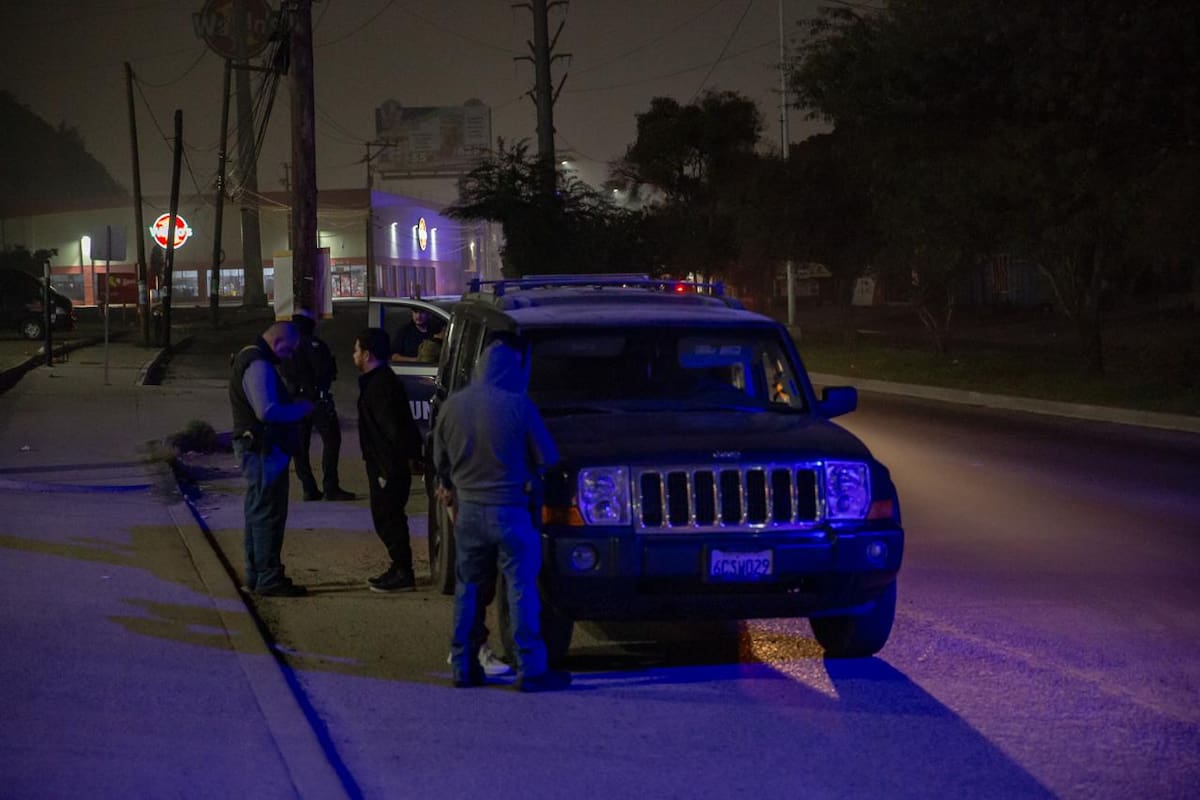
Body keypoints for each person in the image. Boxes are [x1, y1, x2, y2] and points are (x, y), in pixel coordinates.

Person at [433, 339, 571, 691]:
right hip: (511, 510)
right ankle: (531, 668)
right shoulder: (518, 406)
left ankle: (463, 666)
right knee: (521, 588)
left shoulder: (452, 406)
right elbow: (549, 457)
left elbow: (440, 462)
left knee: (469, 589)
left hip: (468, 513)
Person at [229, 321, 314, 597]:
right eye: (288, 350)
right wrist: (301, 409)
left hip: (255, 448)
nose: (288, 357)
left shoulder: (247, 356)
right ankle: (268, 576)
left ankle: (257, 575)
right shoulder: (258, 364)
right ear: (278, 342)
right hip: (264, 449)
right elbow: (267, 411)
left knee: (257, 511)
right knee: (268, 513)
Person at [353, 328, 422, 593]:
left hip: (387, 466)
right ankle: (399, 568)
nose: (354, 355)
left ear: (367, 354)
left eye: (356, 350)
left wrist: (387, 467)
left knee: (388, 517)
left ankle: (403, 571)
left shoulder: (380, 386)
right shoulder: (378, 381)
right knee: (386, 516)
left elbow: (391, 429)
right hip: (384, 463)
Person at [280, 309, 356, 502]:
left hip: (295, 401)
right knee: (331, 441)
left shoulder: (287, 347)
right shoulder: (314, 344)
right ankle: (330, 487)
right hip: (317, 401)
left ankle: (309, 487)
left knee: (300, 446)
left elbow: (284, 371)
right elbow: (325, 370)